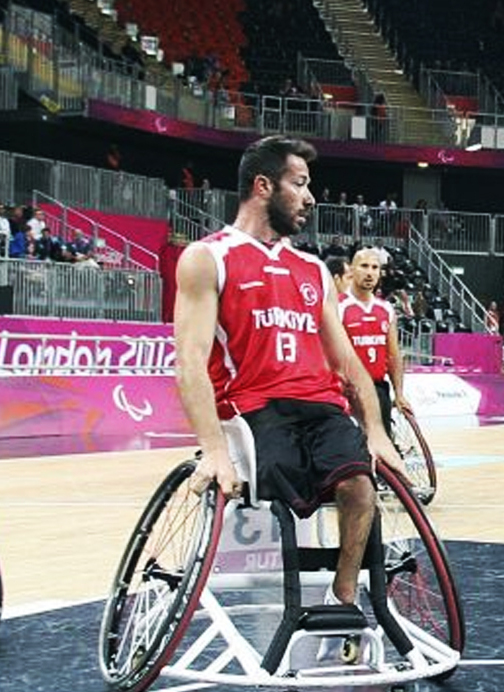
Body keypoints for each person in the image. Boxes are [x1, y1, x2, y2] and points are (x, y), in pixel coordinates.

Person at [174, 136, 406, 615]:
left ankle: (342, 597)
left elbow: (346, 363)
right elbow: (190, 361)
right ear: (263, 186)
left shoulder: (313, 269)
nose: (310, 197)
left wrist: (378, 431)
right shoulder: (207, 257)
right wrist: (214, 449)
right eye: (299, 184)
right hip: (252, 410)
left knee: (360, 484)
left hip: (320, 408)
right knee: (284, 492)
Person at [341, 247, 415, 441]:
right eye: (364, 266)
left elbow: (393, 355)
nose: (369, 272)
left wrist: (399, 394)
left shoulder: (386, 309)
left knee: (384, 449)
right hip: (348, 391)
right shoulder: (339, 306)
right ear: (352, 269)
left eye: (375, 267)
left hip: (378, 389)